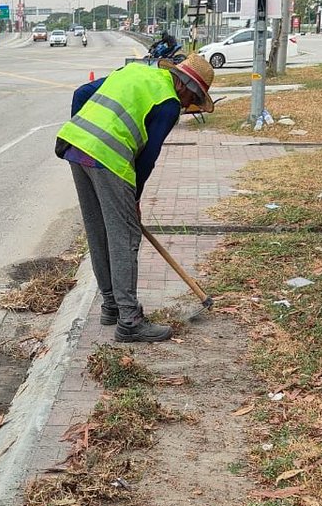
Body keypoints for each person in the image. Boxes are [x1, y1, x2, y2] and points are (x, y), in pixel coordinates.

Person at [55, 53, 215, 343]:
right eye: (192, 100)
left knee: (99, 230)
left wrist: (86, 136)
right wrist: (134, 199)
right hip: (108, 158)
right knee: (125, 236)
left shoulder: (135, 71)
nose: (188, 106)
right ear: (186, 88)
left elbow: (82, 93)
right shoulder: (168, 103)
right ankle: (129, 320)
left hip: (76, 146)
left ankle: (111, 306)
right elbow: (148, 157)